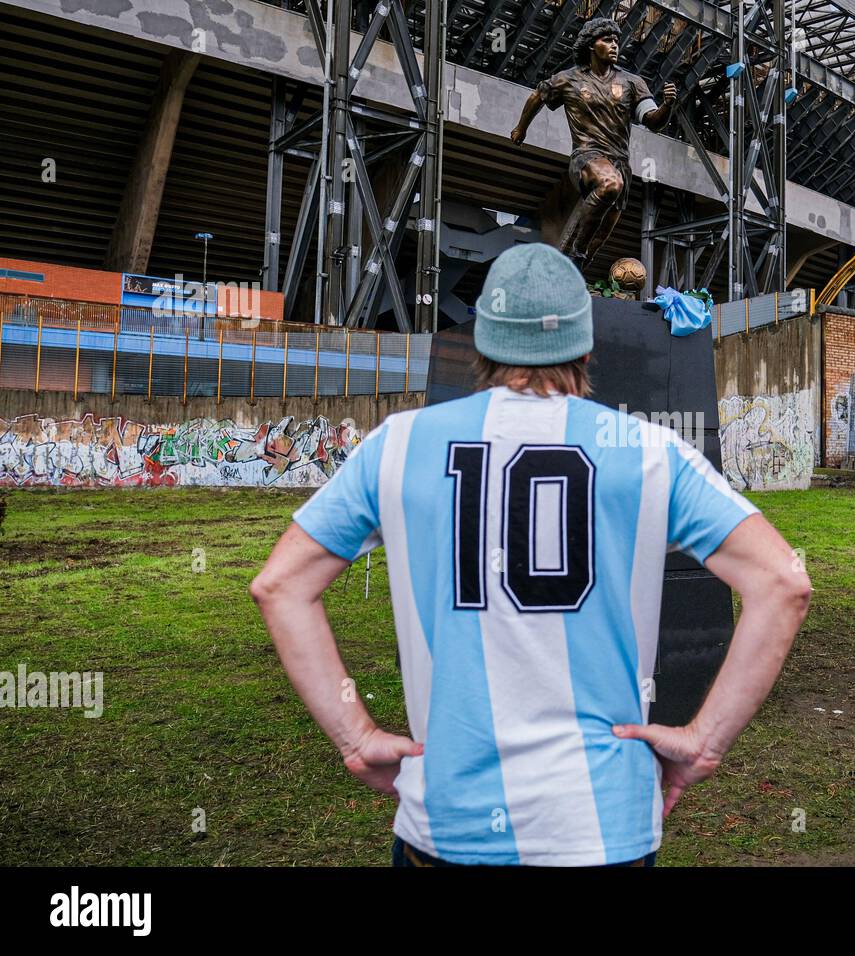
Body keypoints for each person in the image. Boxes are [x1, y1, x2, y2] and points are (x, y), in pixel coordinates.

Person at [250, 243, 810, 867]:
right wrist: (704, 742)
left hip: (449, 823)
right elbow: (784, 581)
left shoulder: (399, 445)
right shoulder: (649, 449)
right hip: (601, 827)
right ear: (587, 348)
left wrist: (356, 736)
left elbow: (280, 584)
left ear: (482, 347)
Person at [511, 17, 676, 270]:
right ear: (591, 45)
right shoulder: (569, 79)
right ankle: (575, 251)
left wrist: (667, 105)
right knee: (610, 184)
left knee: (601, 234)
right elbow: (537, 96)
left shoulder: (633, 82)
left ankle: (573, 268)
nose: (614, 45)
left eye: (616, 41)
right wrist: (520, 128)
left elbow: (652, 121)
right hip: (586, 156)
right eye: (607, 40)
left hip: (620, 161)